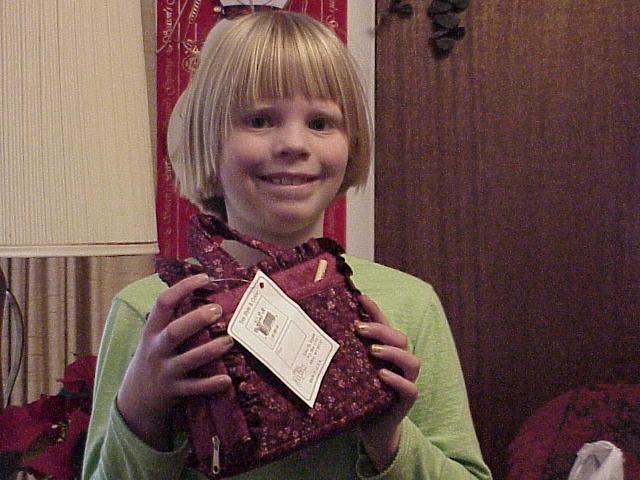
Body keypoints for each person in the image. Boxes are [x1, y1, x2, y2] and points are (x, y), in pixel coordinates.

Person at [82, 10, 492, 480]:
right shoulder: (151, 315)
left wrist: (389, 438)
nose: (294, 143)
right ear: (207, 140)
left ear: (351, 143)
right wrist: (141, 409)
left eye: (321, 122)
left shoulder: (410, 306)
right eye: (259, 120)